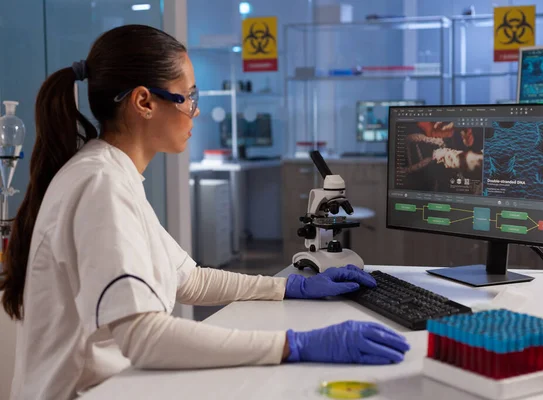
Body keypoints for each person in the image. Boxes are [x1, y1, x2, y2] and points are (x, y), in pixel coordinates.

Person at [0, 25, 410, 400]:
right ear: (144, 101)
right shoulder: (100, 184)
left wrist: (288, 288)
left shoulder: (111, 173)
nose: (195, 111)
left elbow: (187, 278)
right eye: (189, 96)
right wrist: (294, 345)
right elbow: (144, 337)